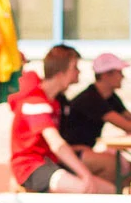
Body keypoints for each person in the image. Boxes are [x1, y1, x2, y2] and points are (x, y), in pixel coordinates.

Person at [8, 45, 114, 194]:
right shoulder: (34, 101)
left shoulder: (56, 101)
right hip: (30, 167)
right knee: (84, 187)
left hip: (50, 162)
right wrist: (85, 174)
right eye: (74, 68)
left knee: (110, 190)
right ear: (60, 74)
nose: (78, 72)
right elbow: (56, 142)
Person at [60, 52, 131, 187]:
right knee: (114, 166)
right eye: (119, 72)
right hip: (72, 151)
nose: (123, 77)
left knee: (129, 167)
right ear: (106, 75)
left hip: (84, 150)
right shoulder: (91, 98)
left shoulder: (110, 96)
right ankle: (106, 197)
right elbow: (126, 125)